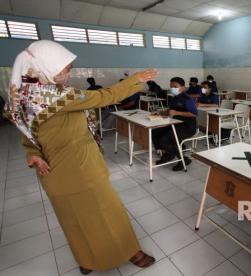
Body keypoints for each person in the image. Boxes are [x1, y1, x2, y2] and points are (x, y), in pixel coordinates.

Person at [6, 40, 156, 274]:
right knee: (109, 213)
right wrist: (135, 80)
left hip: (53, 175)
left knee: (74, 221)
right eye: (64, 67)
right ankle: (130, 252)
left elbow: (28, 135)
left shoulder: (24, 100)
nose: (69, 72)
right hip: (82, 171)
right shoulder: (55, 98)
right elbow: (104, 97)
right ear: (44, 67)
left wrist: (33, 154)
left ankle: (87, 260)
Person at [151, 77, 197, 171]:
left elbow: (194, 114)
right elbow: (170, 111)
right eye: (171, 87)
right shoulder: (174, 98)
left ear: (183, 88)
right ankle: (168, 154)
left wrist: (177, 113)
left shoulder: (187, 99)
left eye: (175, 86)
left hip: (188, 127)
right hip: (175, 124)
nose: (172, 88)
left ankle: (183, 159)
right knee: (155, 132)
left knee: (165, 139)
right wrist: (161, 113)